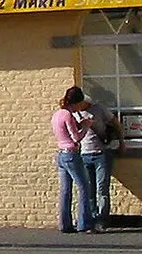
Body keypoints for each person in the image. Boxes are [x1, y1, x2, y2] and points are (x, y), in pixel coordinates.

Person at [50, 87, 99, 234]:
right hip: (72, 153)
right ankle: (84, 223)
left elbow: (63, 132)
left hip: (61, 154)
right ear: (76, 102)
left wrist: (79, 124)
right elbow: (76, 137)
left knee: (65, 190)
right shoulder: (68, 115)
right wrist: (85, 126)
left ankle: (65, 224)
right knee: (84, 187)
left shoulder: (57, 114)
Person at [83, 96, 122, 227]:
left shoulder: (99, 109)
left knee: (102, 188)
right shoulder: (74, 112)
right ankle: (92, 217)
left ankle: (102, 220)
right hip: (84, 154)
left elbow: (115, 122)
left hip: (101, 153)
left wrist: (122, 142)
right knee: (89, 189)